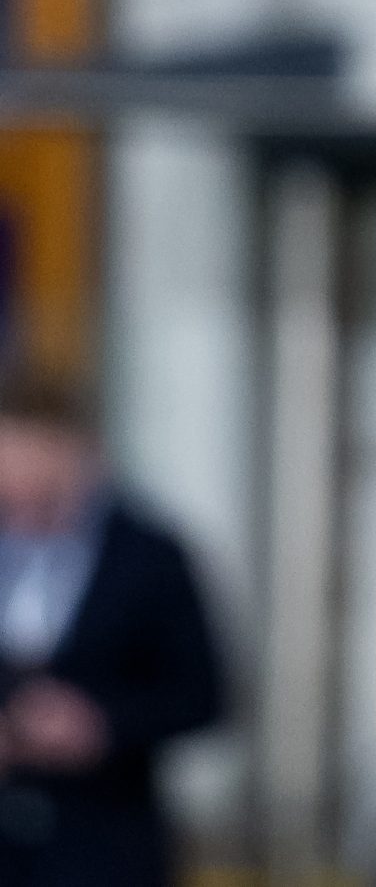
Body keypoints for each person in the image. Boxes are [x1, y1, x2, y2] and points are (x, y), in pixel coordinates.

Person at [0, 373, 226, 887]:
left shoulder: (150, 556)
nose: (15, 487)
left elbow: (204, 694)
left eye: (28, 464)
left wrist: (102, 725)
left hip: (102, 840)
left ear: (70, 452)